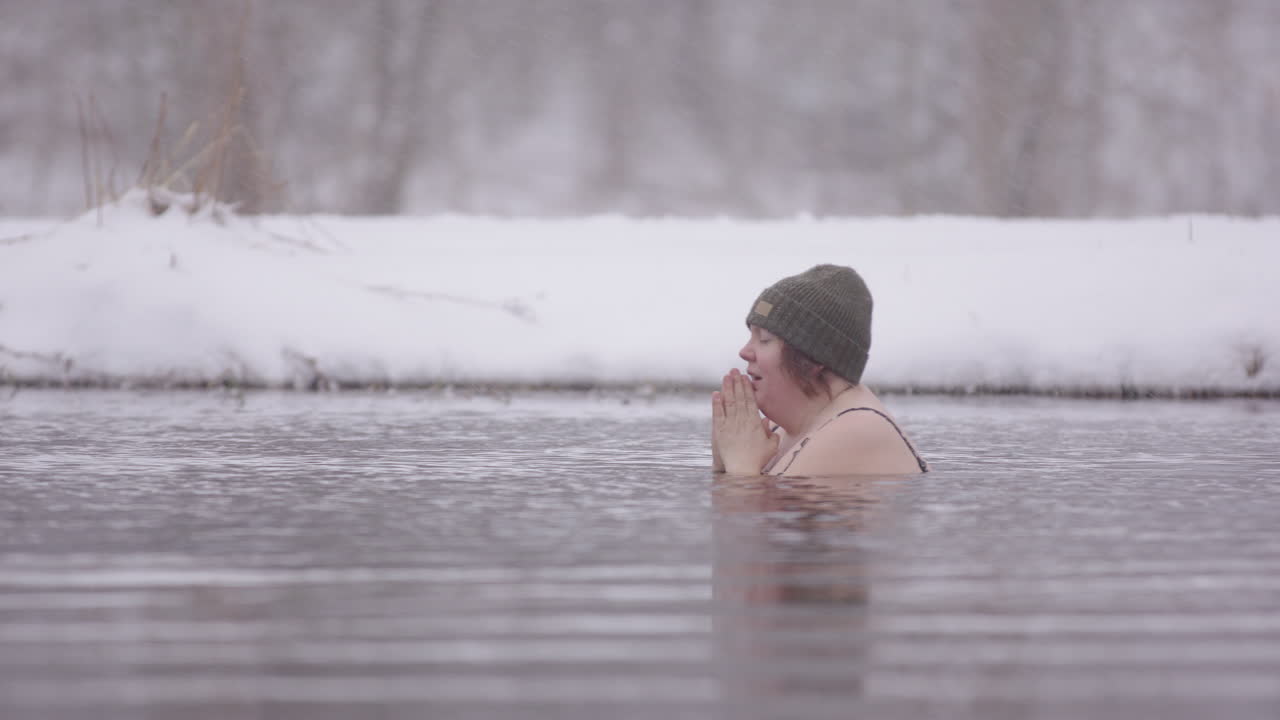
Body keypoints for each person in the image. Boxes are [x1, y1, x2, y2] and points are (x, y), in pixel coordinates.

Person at [711, 264, 927, 476]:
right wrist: (725, 462)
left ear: (813, 357)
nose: (745, 352)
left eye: (765, 339)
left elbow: (749, 509)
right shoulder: (788, 430)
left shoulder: (854, 431)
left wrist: (741, 470)